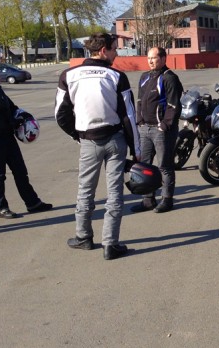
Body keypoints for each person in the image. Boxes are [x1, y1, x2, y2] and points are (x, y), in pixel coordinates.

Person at [55, 33, 140, 260]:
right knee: (115, 194)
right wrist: (137, 150)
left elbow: (60, 114)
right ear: (103, 50)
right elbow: (129, 116)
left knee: (85, 191)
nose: (117, 53)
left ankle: (83, 237)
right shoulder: (116, 76)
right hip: (115, 140)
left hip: (88, 141)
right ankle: (110, 245)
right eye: (114, 49)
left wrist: (78, 135)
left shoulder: (69, 75)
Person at [0, 61, 52, 219]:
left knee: (20, 171)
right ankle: (0, 207)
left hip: (6, 134)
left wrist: (24, 115)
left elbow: (11, 107)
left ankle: (32, 202)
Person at [131, 46, 183, 213]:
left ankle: (167, 200)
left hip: (161, 130)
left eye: (154, 58)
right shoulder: (145, 77)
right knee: (144, 165)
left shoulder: (170, 78)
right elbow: (139, 101)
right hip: (144, 128)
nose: (150, 61)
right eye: (148, 58)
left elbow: (173, 105)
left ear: (163, 59)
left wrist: (165, 125)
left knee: (164, 166)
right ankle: (148, 200)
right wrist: (139, 121)